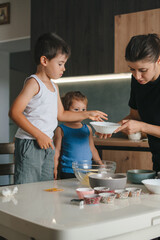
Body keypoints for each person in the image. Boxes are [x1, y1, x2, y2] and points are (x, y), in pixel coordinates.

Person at [9, 32, 107, 184]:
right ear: (44, 60)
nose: (64, 68)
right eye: (60, 64)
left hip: (47, 143)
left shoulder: (54, 86)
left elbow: (61, 115)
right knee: (27, 189)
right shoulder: (33, 83)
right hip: (30, 142)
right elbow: (14, 112)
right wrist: (39, 135)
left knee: (46, 187)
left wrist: (87, 114)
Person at [113, 33, 160, 174]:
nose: (137, 76)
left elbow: (140, 124)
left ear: (158, 60)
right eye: (132, 69)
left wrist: (142, 127)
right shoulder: (137, 81)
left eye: (143, 70)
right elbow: (135, 117)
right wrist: (111, 128)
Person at [53, 91, 103, 179]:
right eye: (76, 109)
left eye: (83, 110)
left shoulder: (88, 129)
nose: (81, 113)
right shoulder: (61, 129)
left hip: (87, 171)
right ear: (66, 110)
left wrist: (101, 164)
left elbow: (92, 149)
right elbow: (56, 151)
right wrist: (54, 168)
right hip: (68, 171)